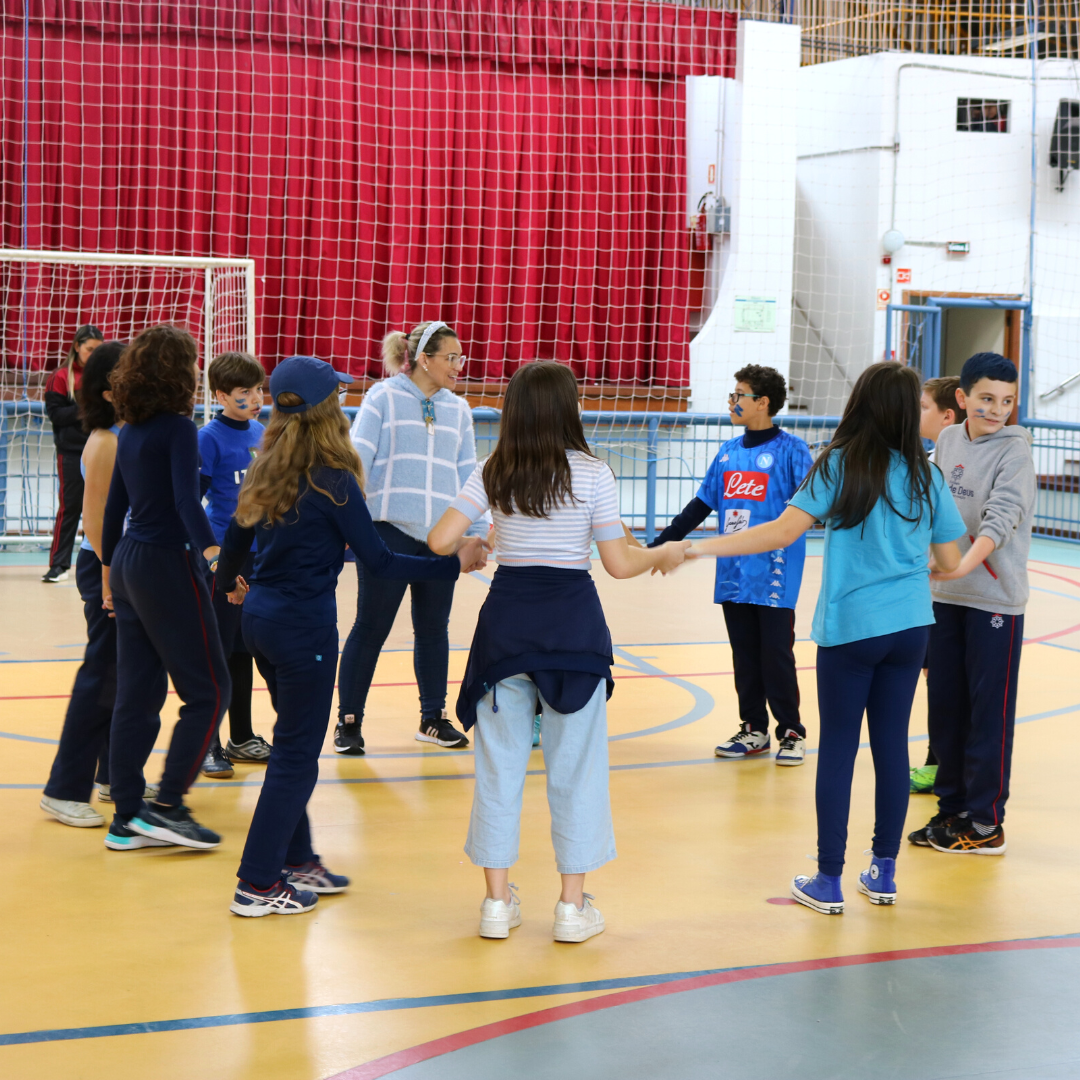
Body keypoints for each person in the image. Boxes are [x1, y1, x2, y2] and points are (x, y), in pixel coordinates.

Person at [427, 362, 690, 943]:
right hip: (573, 629)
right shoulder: (594, 473)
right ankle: (571, 908)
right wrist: (662, 553)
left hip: (506, 630)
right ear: (570, 408)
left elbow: (440, 540)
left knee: (499, 768)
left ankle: (497, 903)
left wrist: (477, 541)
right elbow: (618, 564)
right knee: (576, 769)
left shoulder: (495, 468)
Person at [688, 362, 964, 914]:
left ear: (860, 403)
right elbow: (951, 561)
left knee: (838, 749)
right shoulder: (926, 474)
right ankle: (882, 873)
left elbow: (782, 531)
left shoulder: (840, 463)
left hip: (852, 630)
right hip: (911, 628)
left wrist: (695, 547)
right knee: (892, 748)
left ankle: (829, 879)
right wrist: (907, 566)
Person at [216, 355, 486, 917]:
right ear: (325, 411)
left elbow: (235, 544)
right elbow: (380, 561)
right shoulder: (333, 481)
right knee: (296, 757)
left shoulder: (265, 467)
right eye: (337, 397)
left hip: (261, 621)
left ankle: (297, 858)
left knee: (291, 742)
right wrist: (452, 565)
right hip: (302, 631)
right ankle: (257, 883)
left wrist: (231, 586)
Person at [100, 325, 230, 852]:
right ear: (179, 372)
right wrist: (213, 553)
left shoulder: (130, 430)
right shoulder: (178, 428)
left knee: (138, 695)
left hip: (130, 562)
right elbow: (185, 501)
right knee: (210, 691)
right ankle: (169, 806)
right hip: (165, 564)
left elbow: (114, 509)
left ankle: (127, 816)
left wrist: (110, 574)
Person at [648, 365, 812, 765]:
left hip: (773, 575)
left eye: (739, 395)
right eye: (732, 395)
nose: (732, 402)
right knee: (745, 656)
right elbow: (700, 505)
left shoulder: (793, 451)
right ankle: (753, 729)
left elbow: (814, 506)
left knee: (776, 655)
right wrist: (660, 544)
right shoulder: (728, 452)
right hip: (733, 574)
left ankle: (791, 732)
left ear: (763, 402)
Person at [335, 320, 483, 755]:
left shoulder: (460, 410)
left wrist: (473, 534)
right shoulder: (382, 397)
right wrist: (349, 526)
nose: (458, 366)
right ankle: (348, 721)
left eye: (460, 358)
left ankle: (432, 718)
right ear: (424, 359)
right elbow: (357, 463)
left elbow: (469, 475)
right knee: (371, 626)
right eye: (451, 357)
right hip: (387, 534)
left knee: (434, 629)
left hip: (441, 540)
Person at [909, 353, 1034, 855]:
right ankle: (951, 810)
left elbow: (1001, 519)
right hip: (945, 597)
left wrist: (962, 565)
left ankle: (985, 822)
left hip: (993, 602)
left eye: (1006, 401)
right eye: (986, 398)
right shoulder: (948, 440)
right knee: (946, 709)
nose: (997, 410)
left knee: (988, 715)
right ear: (961, 399)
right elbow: (933, 504)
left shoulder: (1015, 451)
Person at [40, 342, 135, 826]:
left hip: (124, 566)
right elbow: (96, 524)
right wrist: (109, 580)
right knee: (102, 676)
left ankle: (115, 776)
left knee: (124, 677)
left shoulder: (128, 432)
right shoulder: (105, 441)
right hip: (104, 566)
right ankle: (64, 789)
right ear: (108, 389)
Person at [197, 351, 272, 778]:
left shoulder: (262, 433)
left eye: (259, 388)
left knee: (243, 649)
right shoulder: (207, 438)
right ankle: (207, 742)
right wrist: (212, 556)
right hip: (225, 557)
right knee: (217, 650)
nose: (256, 398)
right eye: (245, 391)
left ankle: (240, 737)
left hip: (260, 555)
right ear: (221, 395)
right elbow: (191, 501)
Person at [910, 376, 967, 794]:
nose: (917, 413)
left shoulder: (944, 467)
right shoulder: (925, 461)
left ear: (948, 416)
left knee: (952, 680)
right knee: (937, 675)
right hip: (931, 592)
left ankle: (944, 762)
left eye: (924, 406)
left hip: (958, 588)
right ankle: (939, 758)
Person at [43, 324, 104, 583]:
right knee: (70, 507)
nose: (93, 354)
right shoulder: (60, 377)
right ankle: (58, 565)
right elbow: (56, 415)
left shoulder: (103, 375)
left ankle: (100, 561)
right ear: (77, 346)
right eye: (89, 349)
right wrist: (88, 405)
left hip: (101, 449)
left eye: (98, 350)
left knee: (102, 507)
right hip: (71, 452)